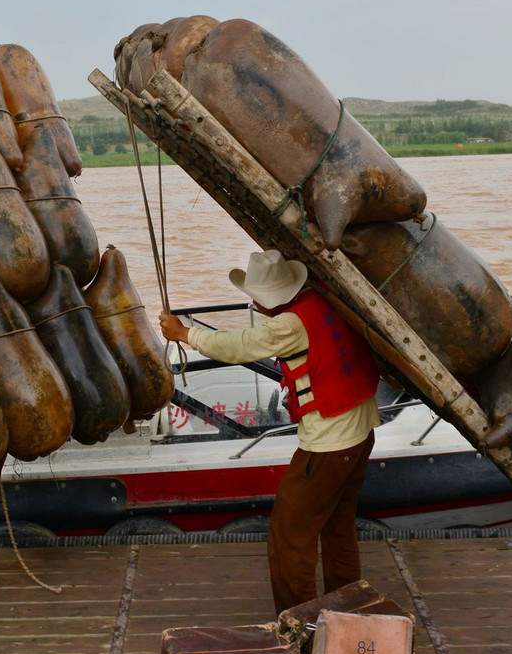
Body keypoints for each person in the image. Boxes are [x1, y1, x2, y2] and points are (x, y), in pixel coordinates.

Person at [159, 250, 381, 614]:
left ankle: (300, 623)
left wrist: (186, 334)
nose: (253, 302)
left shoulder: (290, 325)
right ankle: (348, 608)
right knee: (338, 526)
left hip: (328, 444)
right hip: (360, 432)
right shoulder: (323, 298)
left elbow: (239, 346)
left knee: (289, 536)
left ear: (269, 299)